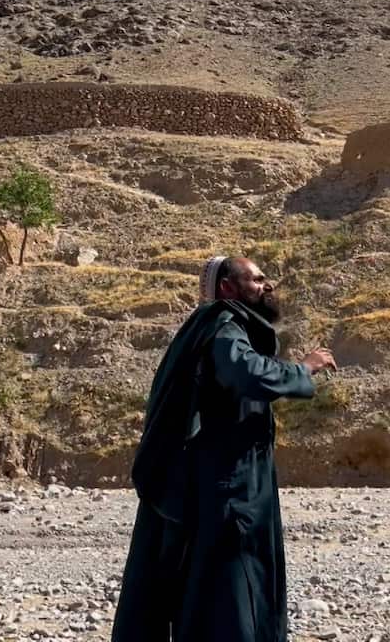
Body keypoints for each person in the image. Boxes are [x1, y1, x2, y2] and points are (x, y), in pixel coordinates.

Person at [111, 255, 337, 641]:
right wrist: (304, 368)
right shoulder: (223, 327)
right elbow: (247, 373)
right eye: (257, 279)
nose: (268, 286)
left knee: (210, 584)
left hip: (227, 482)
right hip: (228, 486)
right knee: (234, 583)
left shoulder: (216, 329)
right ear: (228, 288)